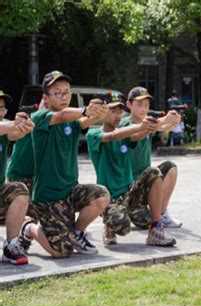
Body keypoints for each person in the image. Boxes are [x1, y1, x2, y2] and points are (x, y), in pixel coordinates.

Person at [19, 71, 110, 258]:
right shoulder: (40, 117)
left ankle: (77, 232)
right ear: (46, 97)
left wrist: (99, 112)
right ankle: (29, 228)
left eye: (67, 92)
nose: (64, 97)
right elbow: (62, 116)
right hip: (48, 198)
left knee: (101, 195)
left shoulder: (72, 121)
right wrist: (85, 109)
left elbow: (84, 121)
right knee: (62, 252)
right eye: (58, 93)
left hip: (70, 191)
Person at [87, 91, 179, 247]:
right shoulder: (94, 134)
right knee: (122, 225)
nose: (117, 115)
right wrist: (147, 124)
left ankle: (156, 229)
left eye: (119, 111)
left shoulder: (127, 134)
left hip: (130, 192)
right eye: (112, 110)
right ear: (102, 112)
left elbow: (139, 134)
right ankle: (109, 226)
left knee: (154, 172)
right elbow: (113, 136)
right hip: (109, 197)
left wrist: (158, 125)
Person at [120, 86, 183, 230]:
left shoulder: (149, 123)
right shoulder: (125, 124)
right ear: (129, 105)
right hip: (130, 189)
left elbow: (163, 128)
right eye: (139, 104)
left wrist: (172, 121)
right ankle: (127, 212)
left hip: (147, 182)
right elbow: (138, 133)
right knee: (146, 222)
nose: (144, 109)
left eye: (147, 105)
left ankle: (161, 213)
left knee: (170, 167)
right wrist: (163, 120)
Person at [0, 90, 35, 265]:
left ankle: (11, 244)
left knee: (19, 189)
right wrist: (14, 124)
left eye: (2, 109)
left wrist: (25, 126)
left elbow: (14, 133)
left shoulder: (5, 125)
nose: (0, 113)